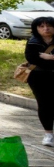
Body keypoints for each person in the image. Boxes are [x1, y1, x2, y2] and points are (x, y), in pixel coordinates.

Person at [25, 16, 54, 146]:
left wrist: (50, 57)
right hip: (38, 77)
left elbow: (43, 60)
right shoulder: (32, 42)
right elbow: (33, 59)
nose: (45, 29)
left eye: (48, 26)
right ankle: (48, 134)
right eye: (41, 26)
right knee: (44, 104)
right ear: (36, 29)